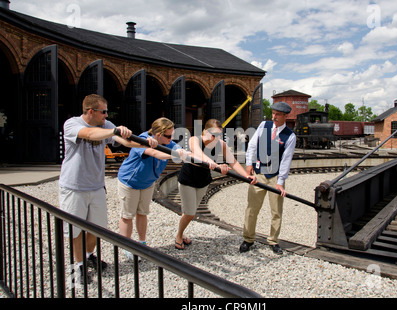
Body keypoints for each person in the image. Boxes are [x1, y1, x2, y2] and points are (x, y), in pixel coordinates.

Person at [59, 94, 156, 281]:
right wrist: (114, 132)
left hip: (96, 187)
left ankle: (88, 256)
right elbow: (89, 134)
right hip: (74, 187)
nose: (106, 115)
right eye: (103, 112)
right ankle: (78, 266)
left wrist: (147, 142)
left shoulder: (106, 125)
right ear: (90, 111)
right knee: (75, 229)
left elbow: (126, 142)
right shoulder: (72, 123)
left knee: (97, 228)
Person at [176, 119, 257, 250]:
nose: (216, 138)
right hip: (188, 179)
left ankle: (182, 231)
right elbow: (199, 154)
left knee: (190, 212)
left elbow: (233, 162)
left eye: (219, 135)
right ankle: (179, 236)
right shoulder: (195, 139)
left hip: (203, 181)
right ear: (206, 132)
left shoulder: (221, 144)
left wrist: (246, 176)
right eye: (214, 135)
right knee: (190, 213)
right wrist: (216, 165)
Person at [117, 117, 187, 260]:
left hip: (147, 183)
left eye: (171, 135)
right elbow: (155, 153)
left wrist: (183, 152)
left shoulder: (168, 142)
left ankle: (142, 243)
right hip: (130, 182)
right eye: (168, 136)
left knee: (142, 213)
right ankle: (126, 245)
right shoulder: (142, 140)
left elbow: (177, 148)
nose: (170, 138)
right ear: (158, 135)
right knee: (127, 215)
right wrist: (175, 155)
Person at [239, 102, 296, 255]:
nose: (274, 116)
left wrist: (280, 182)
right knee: (252, 208)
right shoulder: (264, 125)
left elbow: (286, 160)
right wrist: (249, 163)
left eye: (278, 114)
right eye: (273, 113)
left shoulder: (290, 136)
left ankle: (273, 241)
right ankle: (248, 239)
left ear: (285, 116)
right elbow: (252, 145)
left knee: (276, 211)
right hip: (258, 173)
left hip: (275, 175)